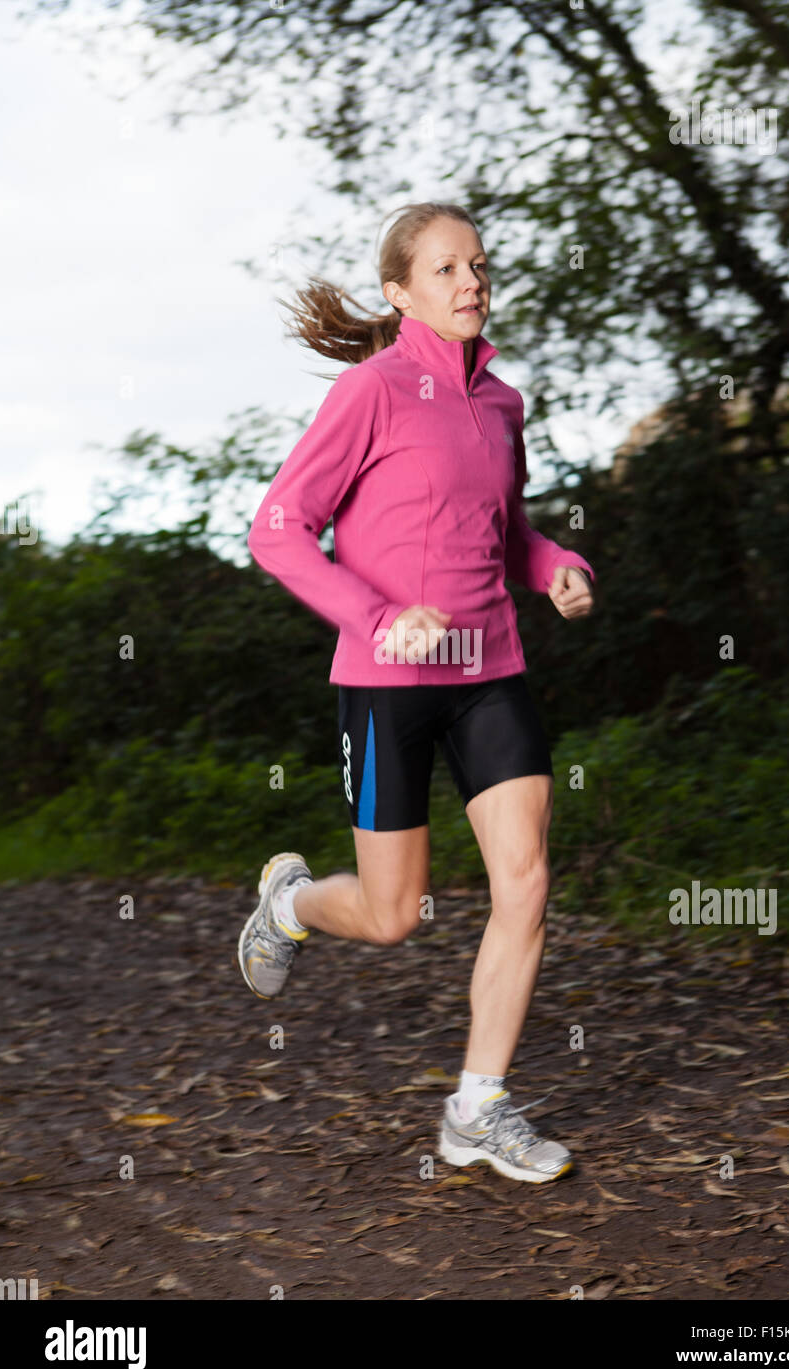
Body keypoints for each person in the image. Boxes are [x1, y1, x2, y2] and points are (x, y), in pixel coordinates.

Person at [238, 202, 595, 1183]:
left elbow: (505, 530)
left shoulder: (501, 403)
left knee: (523, 881)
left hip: (490, 672)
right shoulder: (370, 392)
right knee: (394, 915)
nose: (470, 281)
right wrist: (372, 614)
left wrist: (555, 563)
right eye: (445, 269)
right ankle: (293, 903)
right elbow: (276, 528)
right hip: (386, 682)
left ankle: (476, 1109)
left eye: (477, 265)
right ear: (400, 292)